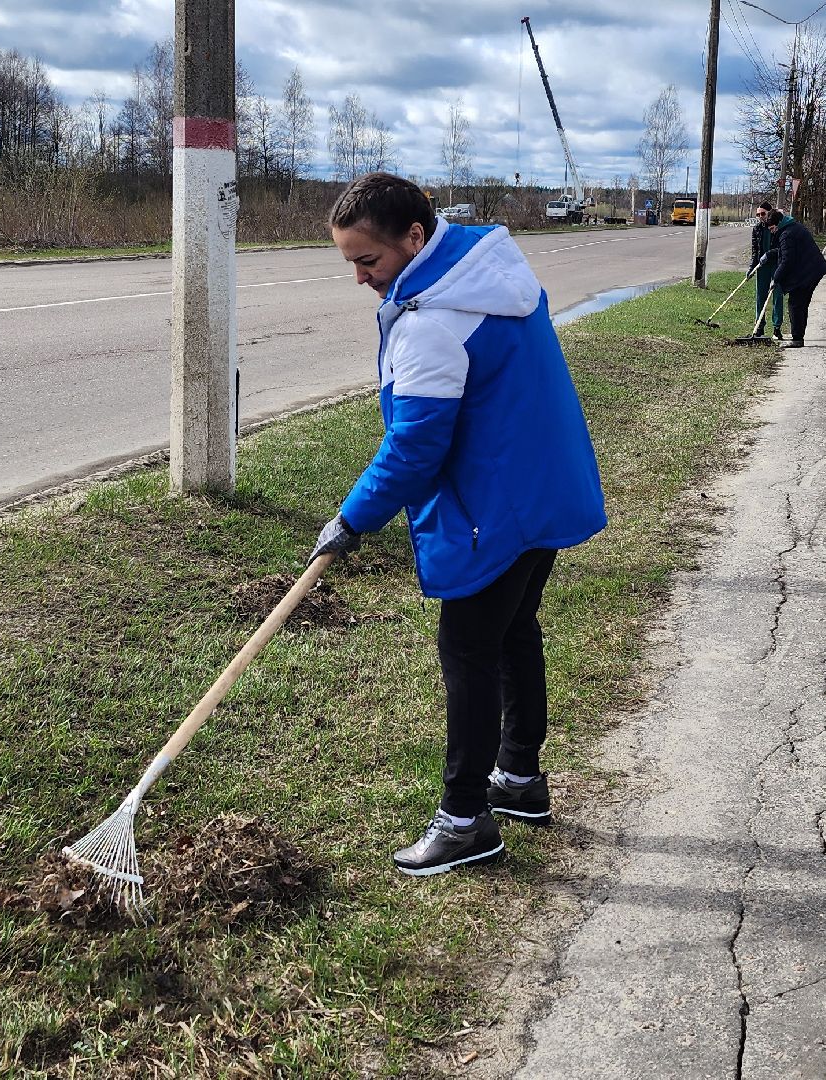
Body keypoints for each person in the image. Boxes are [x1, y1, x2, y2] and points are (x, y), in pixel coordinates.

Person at [310, 172, 607, 876]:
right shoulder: (489, 268)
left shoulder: (432, 322)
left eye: (367, 261)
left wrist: (352, 520)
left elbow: (414, 447)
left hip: (495, 507)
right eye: (349, 262)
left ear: (414, 238)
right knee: (511, 631)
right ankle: (519, 779)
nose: (358, 278)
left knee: (468, 650)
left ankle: (465, 819)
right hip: (543, 489)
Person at [754, 200, 826, 348]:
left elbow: (787, 260)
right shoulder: (791, 228)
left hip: (808, 272)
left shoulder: (786, 234)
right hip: (811, 270)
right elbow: (785, 251)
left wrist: (775, 279)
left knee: (795, 304)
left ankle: (797, 339)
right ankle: (798, 336)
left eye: (772, 229)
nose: (771, 232)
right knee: (800, 304)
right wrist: (769, 254)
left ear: (777, 224)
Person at [748, 206, 788, 340]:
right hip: (763, 266)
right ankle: (759, 327)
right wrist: (752, 267)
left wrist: (770, 254)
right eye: (758, 215)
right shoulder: (757, 229)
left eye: (763, 214)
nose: (760, 217)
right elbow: (755, 251)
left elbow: (781, 248)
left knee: (777, 296)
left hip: (777, 265)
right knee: (761, 296)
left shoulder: (776, 227)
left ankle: (777, 328)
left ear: (769, 213)